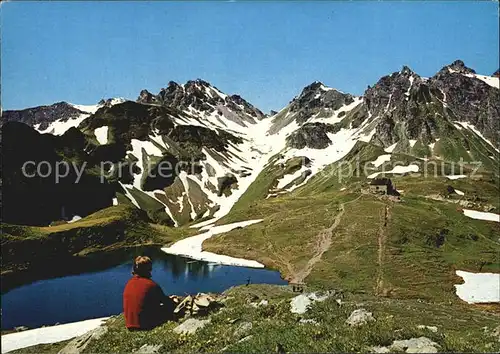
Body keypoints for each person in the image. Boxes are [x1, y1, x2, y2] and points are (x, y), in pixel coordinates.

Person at [123, 256, 174, 330]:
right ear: (149, 269)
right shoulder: (151, 285)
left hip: (129, 324)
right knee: (167, 308)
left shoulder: (129, 283)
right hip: (144, 325)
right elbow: (165, 301)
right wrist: (172, 300)